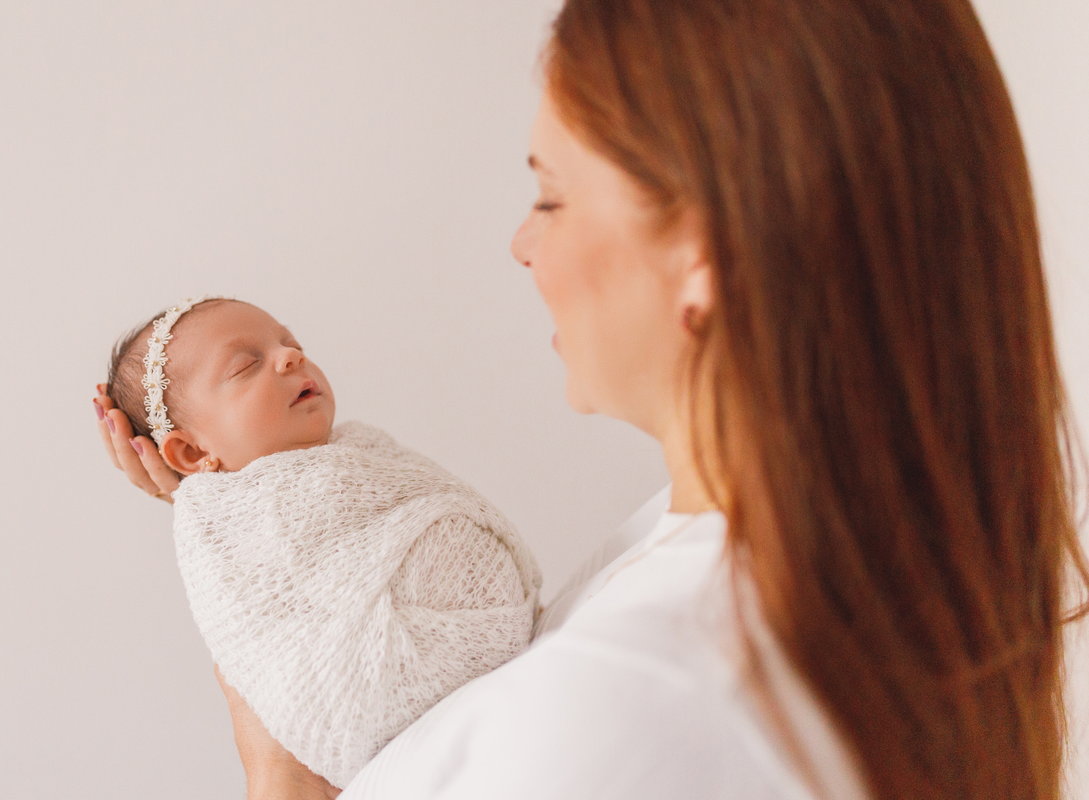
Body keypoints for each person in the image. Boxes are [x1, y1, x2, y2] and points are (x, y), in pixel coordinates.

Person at [95, 0, 1089, 798]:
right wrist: (248, 528)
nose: (522, 243)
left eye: (551, 196)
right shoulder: (804, 546)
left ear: (705, 254)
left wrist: (274, 764)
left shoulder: (638, 698)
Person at [98, 297, 540, 788]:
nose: (291, 357)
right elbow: (277, 626)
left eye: (291, 344)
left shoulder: (362, 447)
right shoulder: (227, 527)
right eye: (246, 365)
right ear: (190, 451)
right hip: (372, 682)